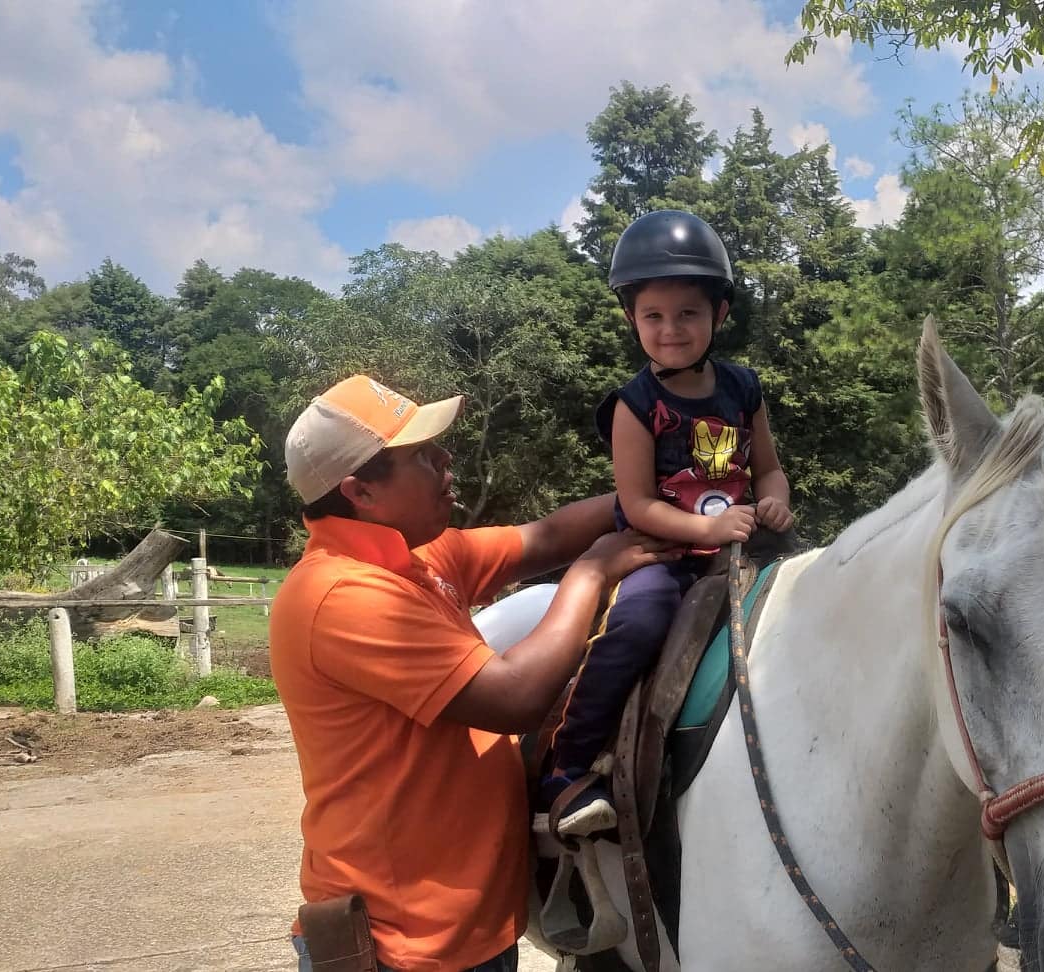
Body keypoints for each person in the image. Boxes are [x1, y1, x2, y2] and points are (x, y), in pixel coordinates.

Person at [269, 374, 679, 972]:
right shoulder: (342, 596)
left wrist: (653, 497)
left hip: (462, 923)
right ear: (360, 492)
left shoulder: (416, 557)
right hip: (404, 942)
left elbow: (542, 537)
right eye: (422, 456)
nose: (446, 459)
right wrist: (589, 577)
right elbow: (514, 698)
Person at [539, 210, 795, 836]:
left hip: (739, 549)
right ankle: (565, 769)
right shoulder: (634, 406)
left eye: (687, 313)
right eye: (653, 315)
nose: (670, 330)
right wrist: (705, 531)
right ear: (632, 319)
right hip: (659, 554)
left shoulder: (744, 389)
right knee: (636, 623)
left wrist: (776, 502)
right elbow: (637, 502)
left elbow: (769, 470)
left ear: (719, 315)